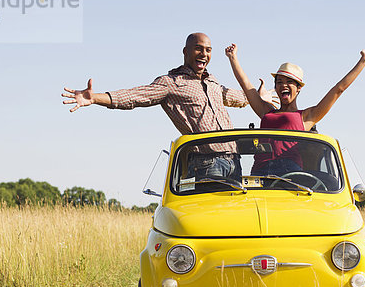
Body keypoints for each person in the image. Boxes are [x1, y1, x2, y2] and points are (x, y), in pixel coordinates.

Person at [62, 33, 270, 179]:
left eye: (208, 50)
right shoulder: (170, 83)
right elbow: (135, 96)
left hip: (234, 160)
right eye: (198, 48)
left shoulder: (212, 82)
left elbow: (238, 98)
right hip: (206, 163)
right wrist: (95, 98)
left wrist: (259, 96)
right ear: (185, 51)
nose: (203, 54)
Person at [225, 44, 365, 176]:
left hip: (290, 171)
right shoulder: (266, 111)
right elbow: (246, 85)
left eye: (289, 82)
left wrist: (362, 62)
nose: (283, 85)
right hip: (260, 169)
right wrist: (233, 58)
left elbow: (338, 90)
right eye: (279, 82)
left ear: (298, 88)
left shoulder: (307, 116)